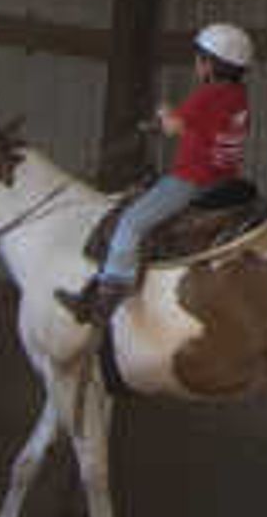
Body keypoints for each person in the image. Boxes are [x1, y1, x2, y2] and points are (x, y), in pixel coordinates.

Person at [62, 23, 256, 325]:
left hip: (191, 181)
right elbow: (202, 128)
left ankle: (111, 292)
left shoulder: (208, 95)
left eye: (199, 58)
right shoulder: (237, 96)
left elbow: (174, 126)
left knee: (130, 222)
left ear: (210, 64)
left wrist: (164, 113)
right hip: (223, 178)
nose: (196, 64)